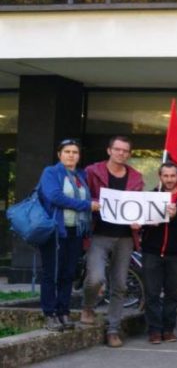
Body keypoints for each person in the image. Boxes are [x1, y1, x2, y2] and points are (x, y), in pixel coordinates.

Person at [83, 136, 145, 348]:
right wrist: (92, 204)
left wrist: (139, 222)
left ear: (129, 154)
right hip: (99, 234)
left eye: (125, 151)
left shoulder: (136, 177)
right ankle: (88, 306)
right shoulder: (93, 172)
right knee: (96, 278)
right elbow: (83, 195)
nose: (121, 153)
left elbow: (139, 206)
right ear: (109, 150)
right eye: (117, 149)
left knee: (119, 284)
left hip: (125, 237)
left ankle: (113, 329)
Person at [37, 139, 100, 332]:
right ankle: (49, 314)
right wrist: (86, 206)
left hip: (76, 231)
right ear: (59, 154)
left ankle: (63, 312)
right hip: (55, 230)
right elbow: (55, 197)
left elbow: (87, 199)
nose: (71, 155)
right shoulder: (51, 172)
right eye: (67, 151)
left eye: (75, 152)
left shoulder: (81, 175)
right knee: (51, 274)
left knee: (68, 274)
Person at [139, 163, 177, 344]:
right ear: (160, 176)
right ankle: (154, 330)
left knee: (173, 293)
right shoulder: (150, 196)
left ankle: (169, 329)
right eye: (166, 176)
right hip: (152, 251)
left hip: (176, 252)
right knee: (152, 293)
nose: (169, 179)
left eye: (173, 176)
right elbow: (140, 221)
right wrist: (148, 223)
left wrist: (176, 216)